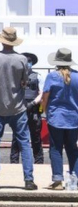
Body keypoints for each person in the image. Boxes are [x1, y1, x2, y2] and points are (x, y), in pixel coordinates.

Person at [0, 27, 37, 190]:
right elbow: (24, 81)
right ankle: (28, 179)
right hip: (18, 106)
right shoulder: (22, 60)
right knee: (24, 143)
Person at [41, 48, 78, 190]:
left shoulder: (52, 76)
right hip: (74, 118)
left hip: (56, 117)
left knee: (56, 149)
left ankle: (57, 179)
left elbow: (45, 97)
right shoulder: (76, 76)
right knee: (72, 149)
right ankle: (74, 180)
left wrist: (45, 112)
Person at [10, 52, 44, 164]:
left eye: (29, 61)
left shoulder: (37, 76)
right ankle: (14, 162)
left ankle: (39, 161)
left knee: (36, 137)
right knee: (16, 137)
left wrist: (33, 103)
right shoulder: (15, 77)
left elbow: (42, 93)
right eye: (25, 61)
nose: (27, 63)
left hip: (33, 108)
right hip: (19, 108)